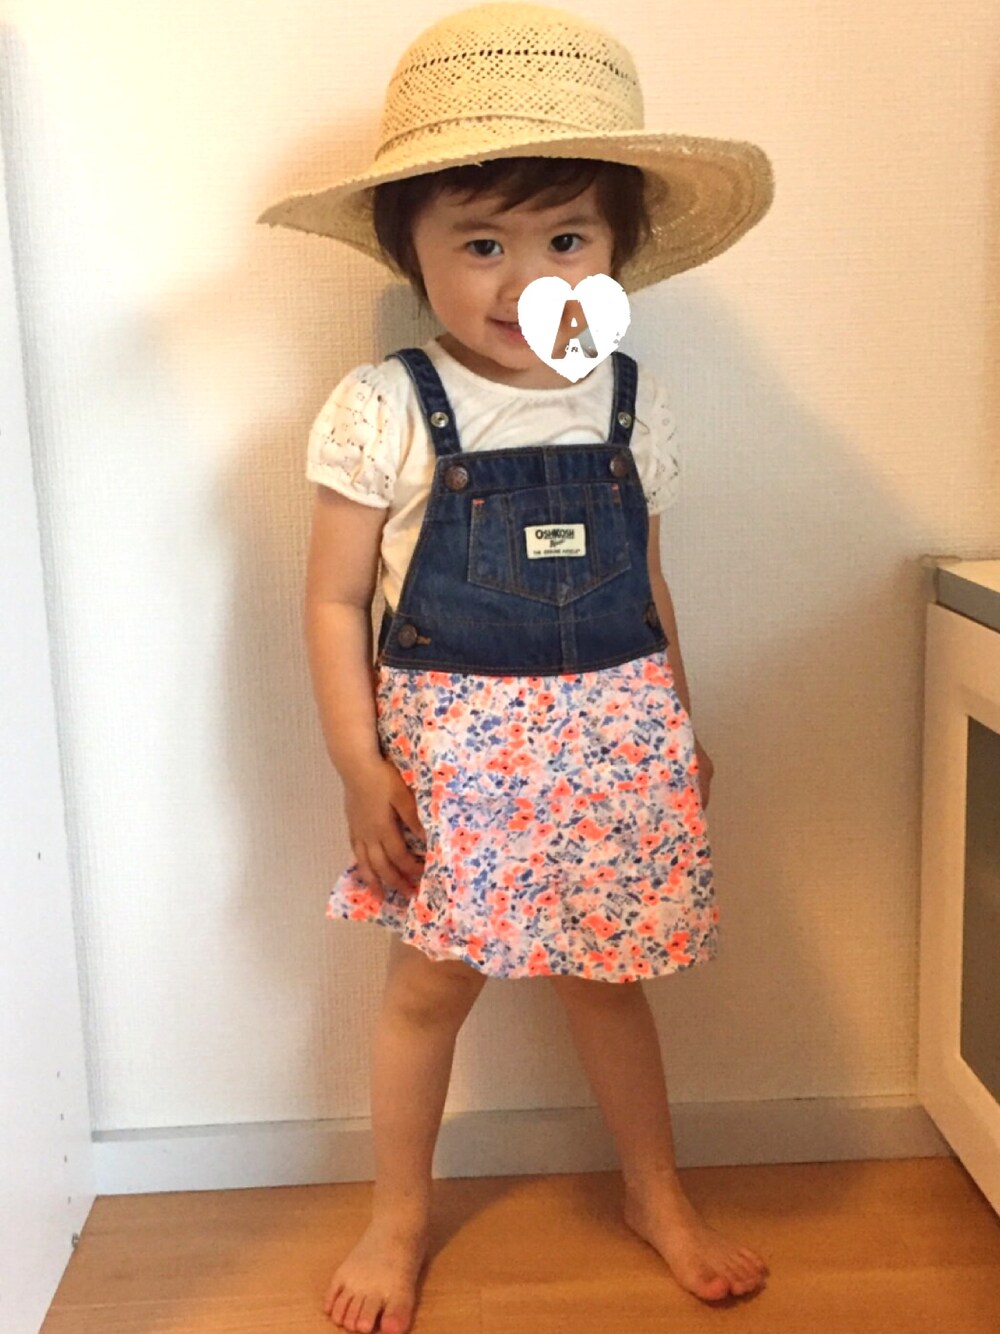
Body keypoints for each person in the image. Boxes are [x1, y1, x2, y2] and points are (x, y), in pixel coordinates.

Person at [258, 5, 775, 1331]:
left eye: (566, 241)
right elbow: (331, 601)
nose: (521, 279)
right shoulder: (386, 404)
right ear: (414, 249)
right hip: (455, 762)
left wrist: (680, 727)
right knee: (430, 985)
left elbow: (647, 584)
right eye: (483, 243)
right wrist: (357, 765)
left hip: (613, 743)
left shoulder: (631, 401)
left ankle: (654, 1193)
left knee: (610, 977)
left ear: (615, 253)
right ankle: (397, 1216)